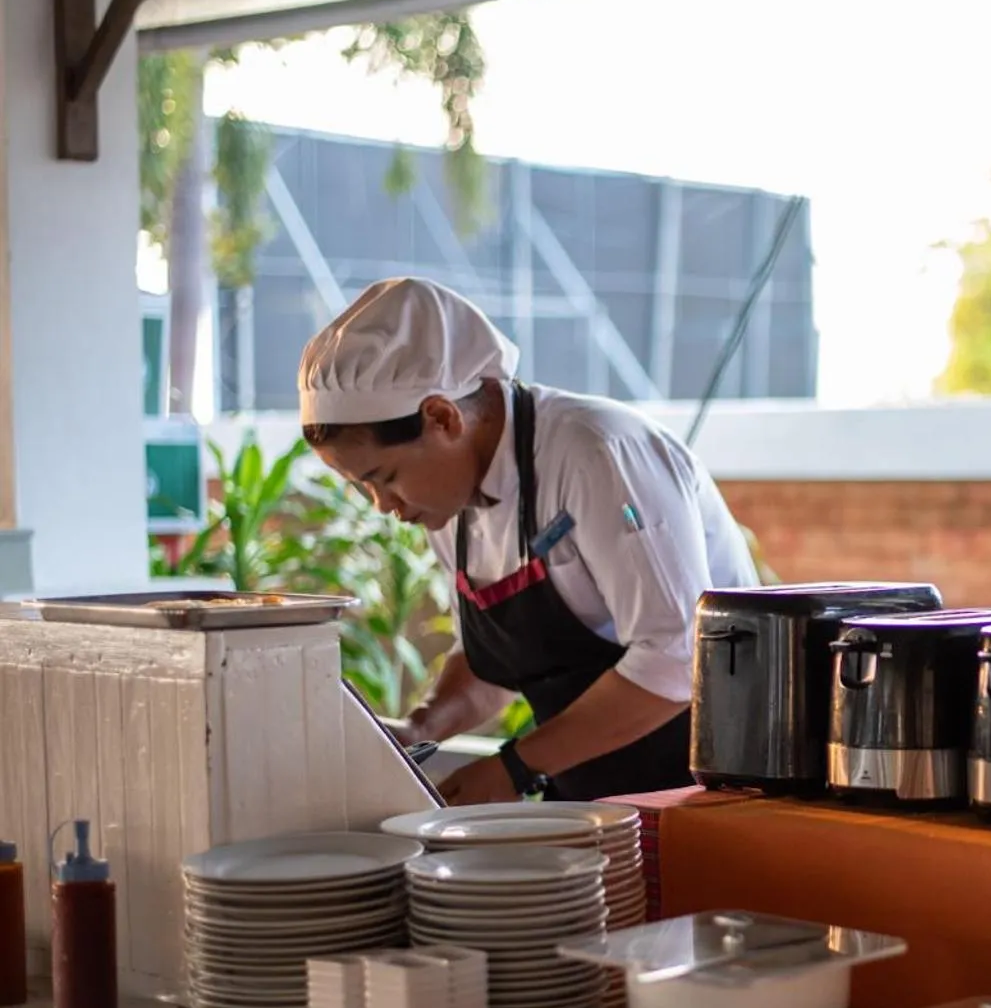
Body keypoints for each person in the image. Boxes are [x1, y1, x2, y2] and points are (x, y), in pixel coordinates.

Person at [299, 277, 759, 805]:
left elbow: (675, 658)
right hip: (592, 798)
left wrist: (512, 768)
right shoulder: (448, 503)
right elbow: (499, 664)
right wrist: (416, 732)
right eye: (361, 487)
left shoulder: (597, 454)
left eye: (384, 477)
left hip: (701, 791)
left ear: (441, 417)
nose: (382, 505)